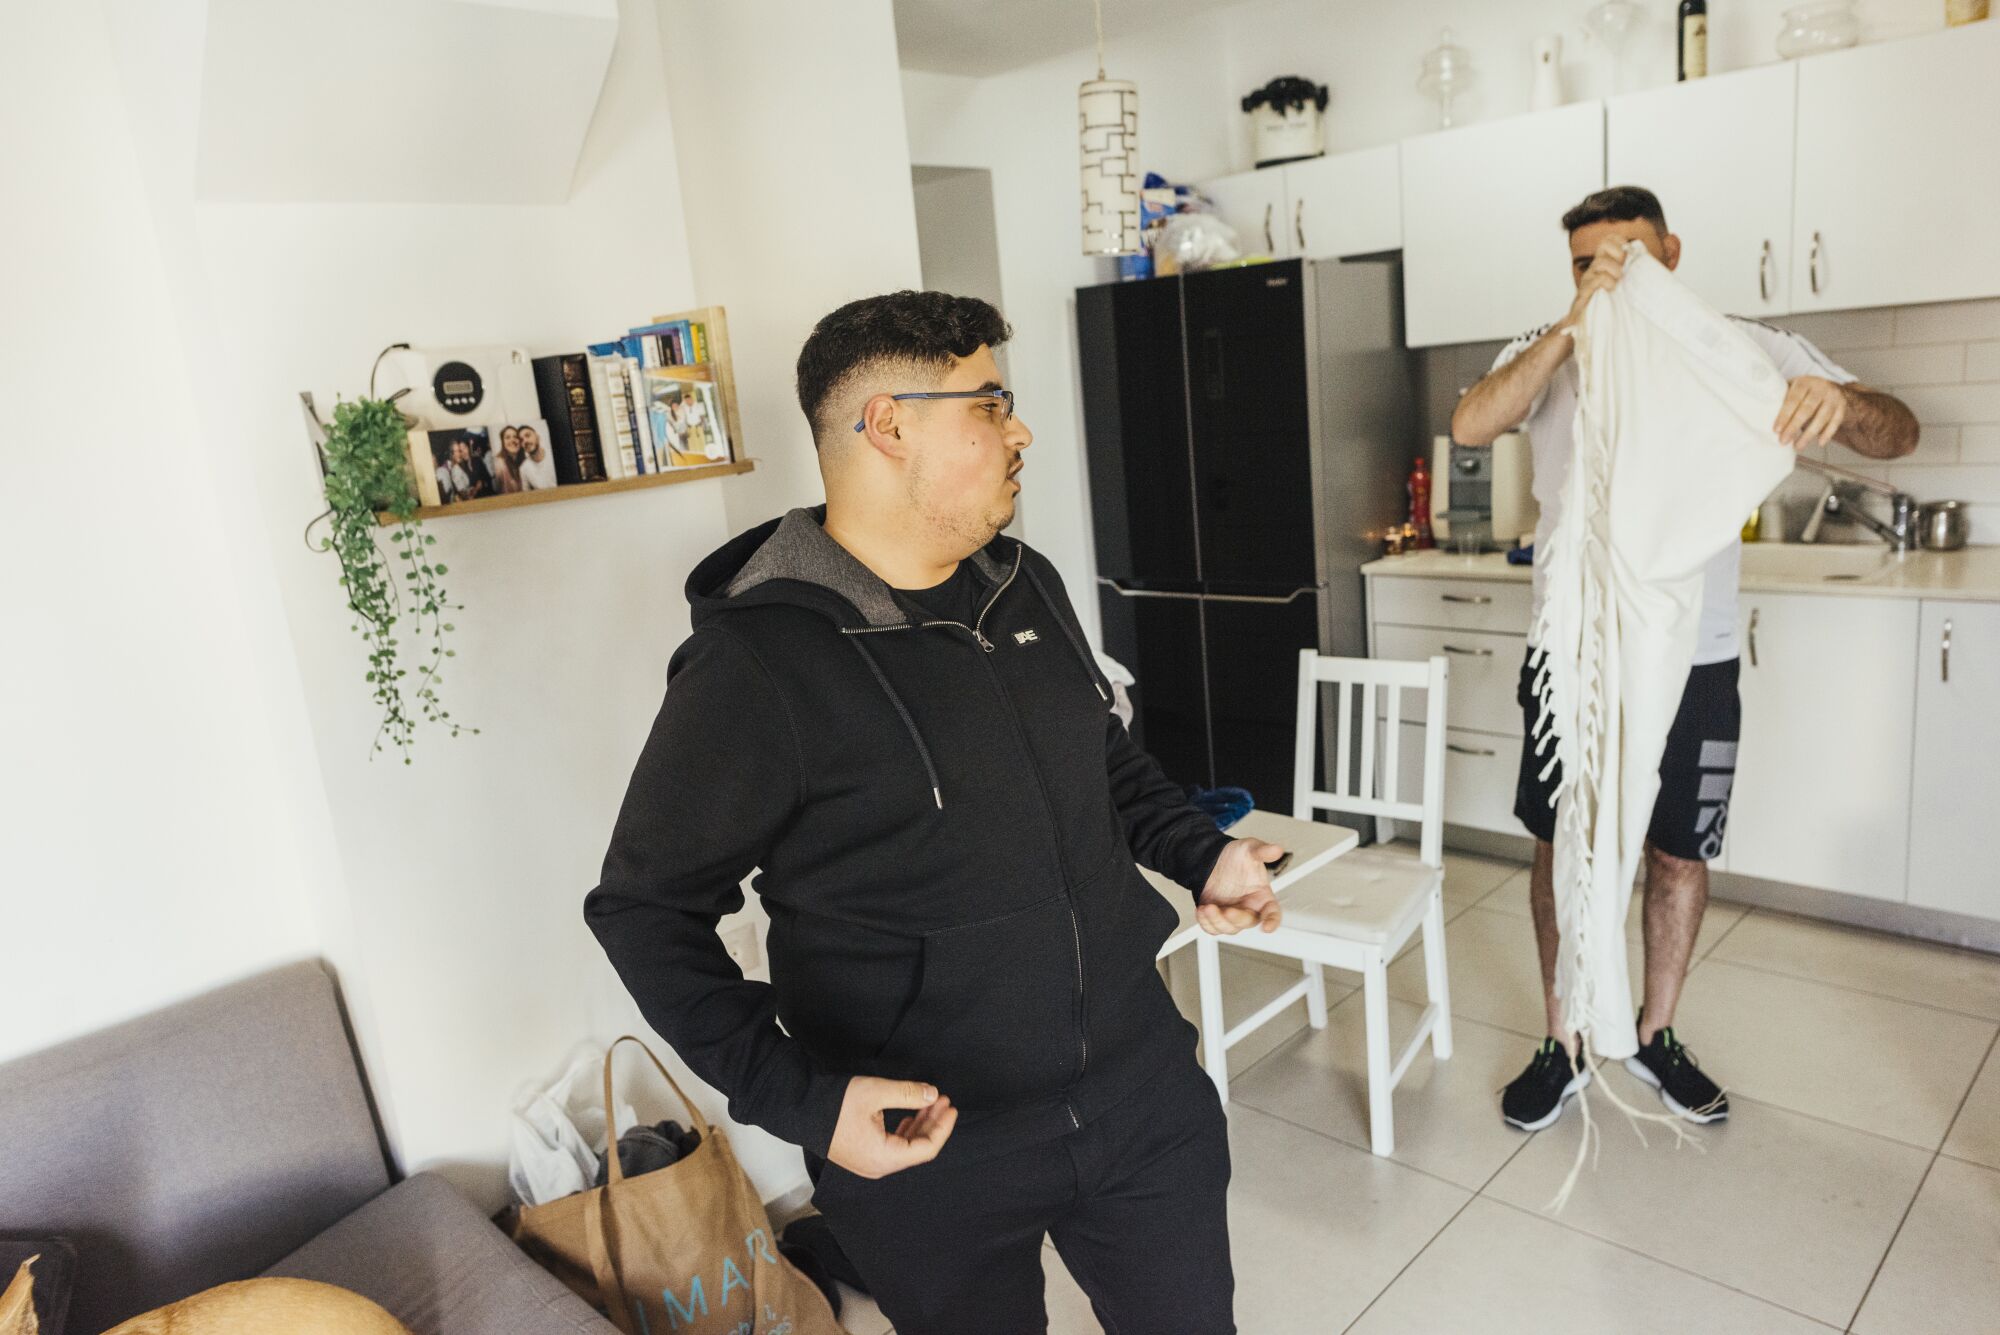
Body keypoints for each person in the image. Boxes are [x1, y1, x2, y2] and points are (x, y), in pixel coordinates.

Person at [585, 290, 1289, 1334]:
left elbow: (1102, 756)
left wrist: (1201, 853)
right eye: (989, 405)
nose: (1021, 431)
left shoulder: (1024, 583)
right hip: (927, 1143)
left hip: (1139, 1094)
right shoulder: (757, 665)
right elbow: (644, 911)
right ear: (888, 426)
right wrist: (805, 1102)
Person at [1450, 186, 1919, 1133]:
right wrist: (1576, 326)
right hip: (1570, 656)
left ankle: (1656, 1031)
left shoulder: (1740, 346)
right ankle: (1565, 1035)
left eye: (1627, 254)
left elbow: (1897, 433)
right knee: (1565, 843)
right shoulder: (1555, 344)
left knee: (1677, 849)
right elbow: (1470, 424)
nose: (1611, 274)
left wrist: (1838, 398)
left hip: (1695, 660)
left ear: (1671, 250)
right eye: (1588, 262)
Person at [517, 423, 558, 491]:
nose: (525, 441)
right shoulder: (524, 468)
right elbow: (527, 495)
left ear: (537, 437)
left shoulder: (553, 454)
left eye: (528, 435)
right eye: (521, 440)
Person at [494, 425, 526, 494]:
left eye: (515, 437)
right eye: (507, 437)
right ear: (503, 442)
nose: (512, 440)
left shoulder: (524, 462)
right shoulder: (499, 465)